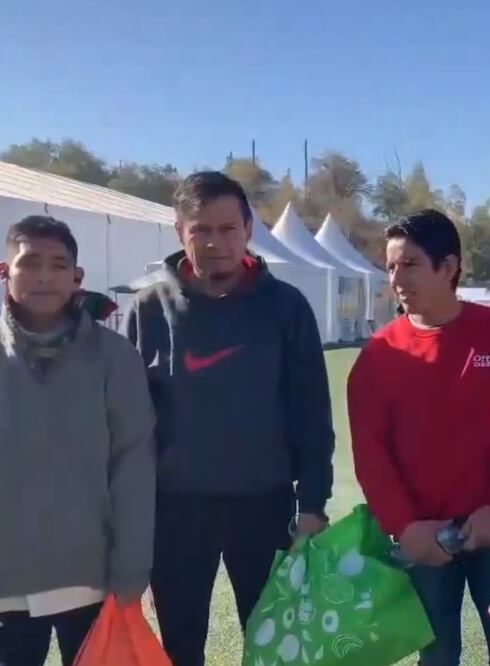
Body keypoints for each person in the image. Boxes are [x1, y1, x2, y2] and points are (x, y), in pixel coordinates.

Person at [124, 172, 335, 666]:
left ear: (248, 230)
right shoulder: (150, 308)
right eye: (201, 230)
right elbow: (128, 426)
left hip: (265, 507)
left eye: (227, 228)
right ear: (180, 232)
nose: (215, 242)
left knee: (275, 644)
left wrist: (315, 502)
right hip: (173, 513)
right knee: (180, 645)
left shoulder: (286, 308)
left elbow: (311, 412)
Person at [349, 209, 490, 666]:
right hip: (425, 541)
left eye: (409, 264)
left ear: (449, 267)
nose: (395, 278)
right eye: (390, 266)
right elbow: (371, 456)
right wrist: (406, 528)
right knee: (437, 656)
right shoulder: (376, 357)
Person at [0, 216, 156, 666]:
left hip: (90, 577)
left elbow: (132, 466)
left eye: (58, 264)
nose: (44, 276)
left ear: (77, 277)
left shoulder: (115, 357)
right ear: (6, 272)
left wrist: (131, 569)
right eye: (30, 263)